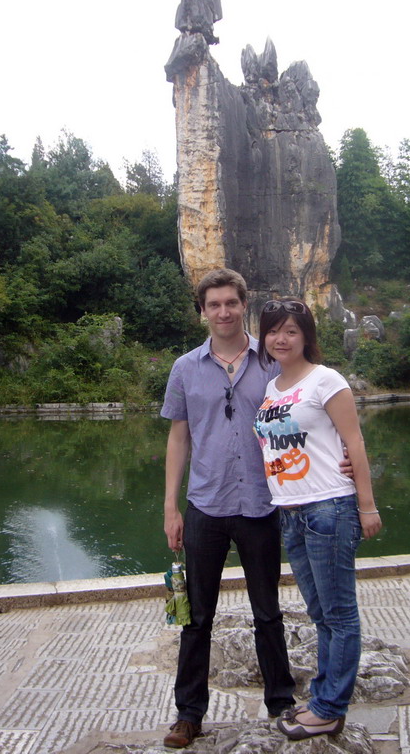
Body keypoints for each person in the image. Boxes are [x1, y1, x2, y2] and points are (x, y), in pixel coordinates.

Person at [160, 268, 297, 748]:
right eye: (213, 304)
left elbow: (302, 421)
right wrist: (170, 509)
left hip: (262, 504)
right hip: (205, 505)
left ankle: (282, 703)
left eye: (231, 303)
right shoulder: (185, 368)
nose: (223, 311)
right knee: (197, 616)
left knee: (268, 611)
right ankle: (189, 713)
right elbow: (179, 437)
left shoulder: (273, 362)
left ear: (245, 306)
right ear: (202, 312)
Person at [252, 298, 382, 741]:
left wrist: (367, 505)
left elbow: (355, 442)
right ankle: (326, 695)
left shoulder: (326, 380)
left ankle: (329, 708)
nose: (280, 339)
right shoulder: (271, 390)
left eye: (290, 330)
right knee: (321, 614)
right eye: (273, 331)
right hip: (290, 512)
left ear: (306, 335)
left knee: (340, 614)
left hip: (330, 507)